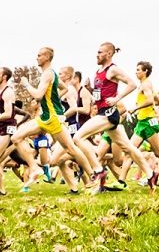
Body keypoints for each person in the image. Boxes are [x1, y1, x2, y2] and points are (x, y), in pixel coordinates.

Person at [9, 48, 98, 195]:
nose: (36, 58)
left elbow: (37, 95)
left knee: (71, 148)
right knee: (16, 137)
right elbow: (63, 88)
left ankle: (94, 174)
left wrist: (26, 83)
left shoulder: (49, 73)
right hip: (45, 118)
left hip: (53, 118)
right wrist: (54, 98)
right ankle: (35, 167)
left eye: (39, 55)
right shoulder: (50, 74)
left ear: (47, 57)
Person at [72, 43, 156, 192]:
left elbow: (131, 84)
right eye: (96, 52)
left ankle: (98, 170)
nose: (96, 55)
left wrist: (117, 99)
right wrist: (91, 89)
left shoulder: (113, 69)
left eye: (100, 52)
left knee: (78, 138)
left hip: (108, 114)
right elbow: (101, 93)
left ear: (109, 54)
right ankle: (151, 174)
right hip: (103, 113)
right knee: (128, 147)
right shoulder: (99, 71)